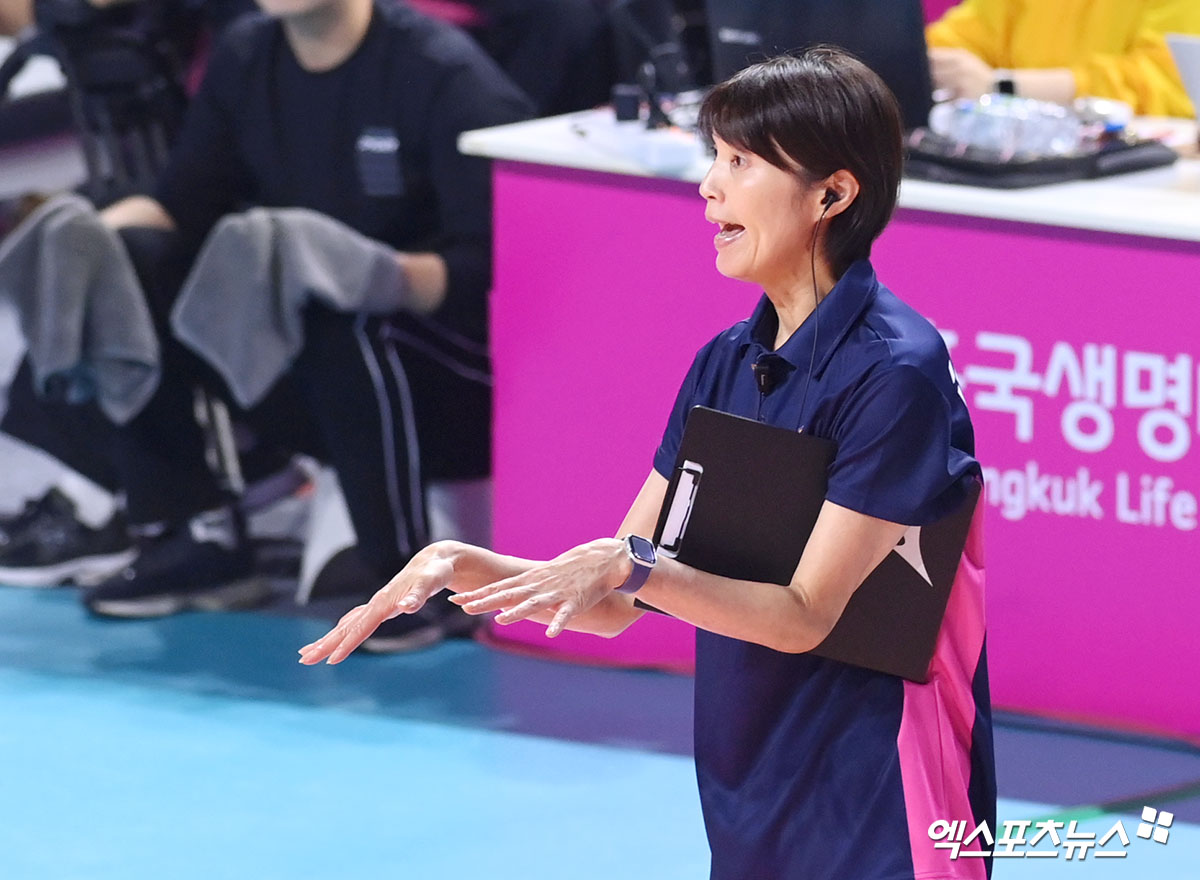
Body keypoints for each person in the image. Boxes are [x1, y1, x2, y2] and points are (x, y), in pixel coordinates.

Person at [300, 47, 997, 879]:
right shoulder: (723, 364)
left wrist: (632, 567)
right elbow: (613, 602)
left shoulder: (896, 372)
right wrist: (461, 563)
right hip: (751, 782)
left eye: (740, 162)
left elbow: (803, 614)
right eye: (716, 157)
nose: (709, 186)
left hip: (884, 788)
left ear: (832, 194)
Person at [74, 0, 532, 653]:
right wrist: (83, 241)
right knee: (132, 265)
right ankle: (196, 534)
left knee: (341, 314)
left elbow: (495, 270)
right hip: (306, 370)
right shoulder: (246, 54)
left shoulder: (444, 74)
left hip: (455, 380)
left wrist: (372, 274)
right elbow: (182, 204)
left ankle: (405, 580)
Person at [927, 0, 1200, 117]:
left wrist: (1000, 86)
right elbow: (965, 36)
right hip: (1023, 157)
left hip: (1135, 181)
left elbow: (1168, 82)